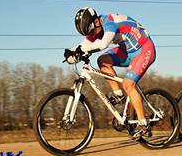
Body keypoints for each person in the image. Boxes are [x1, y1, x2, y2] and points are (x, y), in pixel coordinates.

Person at [64, 7, 156, 139]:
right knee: (102, 61)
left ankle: (143, 124)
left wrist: (80, 51)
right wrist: (71, 52)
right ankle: (118, 95)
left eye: (92, 31)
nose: (91, 34)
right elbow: (84, 44)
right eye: (88, 33)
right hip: (127, 51)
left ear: (96, 22)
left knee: (128, 84)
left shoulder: (110, 24)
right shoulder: (95, 27)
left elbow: (103, 44)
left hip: (144, 49)